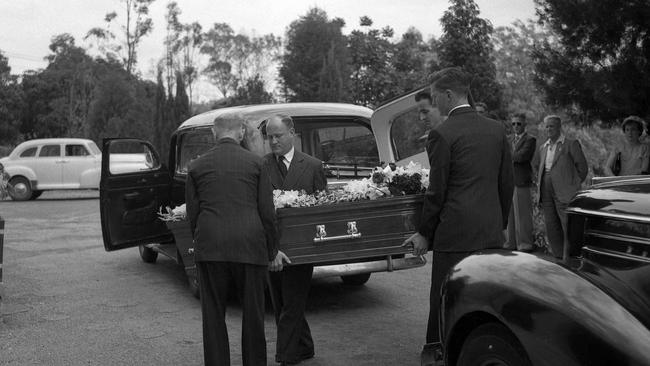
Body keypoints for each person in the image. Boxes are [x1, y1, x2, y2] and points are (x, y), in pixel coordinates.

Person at [403, 67, 514, 365]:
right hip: (490, 230)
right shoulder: (496, 129)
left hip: (455, 232)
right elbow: (506, 184)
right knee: (486, 295)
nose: (434, 100)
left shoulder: (442, 133)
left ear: (449, 95)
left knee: (444, 294)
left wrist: (425, 232)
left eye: (436, 94)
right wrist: (500, 224)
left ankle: (436, 348)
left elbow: (437, 192)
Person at [185, 112, 290, 366]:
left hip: (211, 247)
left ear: (214, 133)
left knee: (213, 316)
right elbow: (267, 212)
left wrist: (199, 241)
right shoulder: (256, 164)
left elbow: (192, 213)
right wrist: (271, 250)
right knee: (253, 315)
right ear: (241, 133)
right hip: (249, 246)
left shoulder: (196, 166)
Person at [262, 114, 327, 366]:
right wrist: (270, 247)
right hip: (273, 245)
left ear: (292, 133)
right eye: (269, 137)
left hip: (303, 247)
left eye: (278, 135)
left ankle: (286, 357)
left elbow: (323, 207)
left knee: (292, 302)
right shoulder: (261, 166)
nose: (273, 141)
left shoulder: (313, 165)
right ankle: (305, 346)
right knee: (280, 303)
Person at [533, 115, 588, 259]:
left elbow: (583, 168)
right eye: (547, 126)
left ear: (559, 127)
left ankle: (570, 257)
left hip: (564, 190)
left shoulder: (570, 144)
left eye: (551, 126)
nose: (549, 129)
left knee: (567, 224)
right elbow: (539, 167)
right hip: (546, 188)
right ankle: (557, 256)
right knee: (551, 223)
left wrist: (573, 185)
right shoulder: (543, 147)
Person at [504, 113, 536, 252]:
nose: (516, 126)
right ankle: (510, 243)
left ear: (525, 125)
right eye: (513, 124)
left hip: (521, 181)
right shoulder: (508, 139)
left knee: (522, 215)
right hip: (508, 181)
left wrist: (507, 155)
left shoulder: (530, 140)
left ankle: (525, 244)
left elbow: (522, 156)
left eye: (519, 124)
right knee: (509, 215)